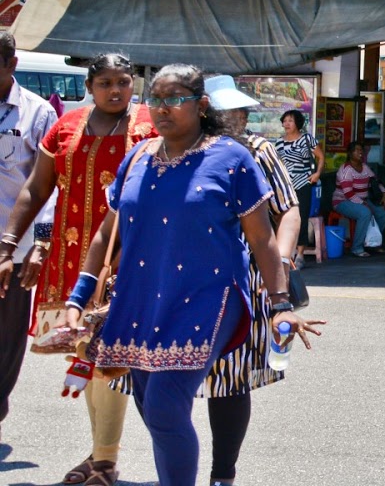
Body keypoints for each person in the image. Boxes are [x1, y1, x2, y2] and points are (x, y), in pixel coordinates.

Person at [65, 64, 321, 486]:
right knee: (150, 401)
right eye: (156, 100)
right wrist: (79, 296)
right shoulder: (140, 157)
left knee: (167, 402)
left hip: (208, 299)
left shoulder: (233, 157)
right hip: (140, 300)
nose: (162, 109)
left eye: (175, 99)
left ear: (201, 105)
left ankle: (219, 475)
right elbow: (106, 234)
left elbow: (263, 240)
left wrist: (280, 306)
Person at [0, 52, 151, 485]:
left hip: (129, 261)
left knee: (113, 357)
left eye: (123, 81)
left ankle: (105, 460)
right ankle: (101, 454)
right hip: (73, 261)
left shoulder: (148, 128)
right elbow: (36, 188)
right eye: (105, 82)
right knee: (86, 352)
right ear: (89, 86)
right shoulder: (66, 127)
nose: (115, 90)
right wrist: (16, 240)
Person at [190, 74, 314, 486]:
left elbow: (289, 209)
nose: (239, 117)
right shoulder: (176, 149)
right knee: (159, 381)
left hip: (243, 276)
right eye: (230, 111)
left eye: (242, 110)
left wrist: (279, 257)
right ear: (206, 111)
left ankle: (222, 474)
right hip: (181, 276)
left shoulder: (260, 151)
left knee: (230, 377)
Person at [0, 32, 60, 449]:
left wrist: (40, 244)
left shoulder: (37, 115)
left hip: (12, 252)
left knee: (4, 343)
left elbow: (48, 189)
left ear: (12, 64)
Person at [275, 109, 323, 253]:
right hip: (284, 186)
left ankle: (300, 253)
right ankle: (285, 252)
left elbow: (321, 157)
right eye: (285, 121)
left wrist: (317, 174)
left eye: (290, 121)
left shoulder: (307, 139)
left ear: (298, 123)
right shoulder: (279, 143)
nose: (286, 124)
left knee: (301, 218)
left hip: (303, 184)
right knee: (282, 217)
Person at [333, 140, 385, 258]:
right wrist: (363, 204)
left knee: (384, 212)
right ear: (350, 153)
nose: (360, 152)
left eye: (361, 150)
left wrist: (384, 193)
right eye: (357, 150)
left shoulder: (365, 167)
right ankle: (357, 247)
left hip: (363, 201)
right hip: (343, 202)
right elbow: (348, 193)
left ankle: (372, 242)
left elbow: (376, 181)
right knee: (365, 213)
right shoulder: (346, 170)